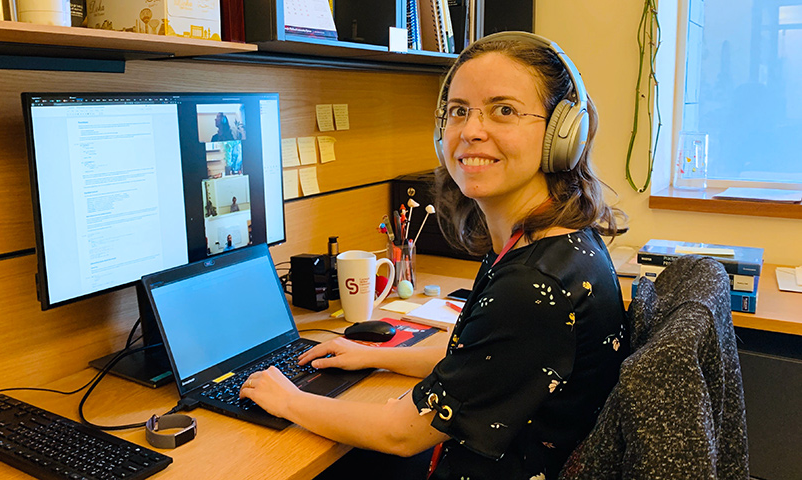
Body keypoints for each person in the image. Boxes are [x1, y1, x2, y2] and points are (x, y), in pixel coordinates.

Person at [240, 31, 628, 480]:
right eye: (458, 111)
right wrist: (375, 355)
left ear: (563, 133)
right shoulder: (556, 244)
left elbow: (400, 433)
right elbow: (481, 354)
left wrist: (288, 399)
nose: (471, 131)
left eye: (503, 110)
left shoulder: (534, 285)